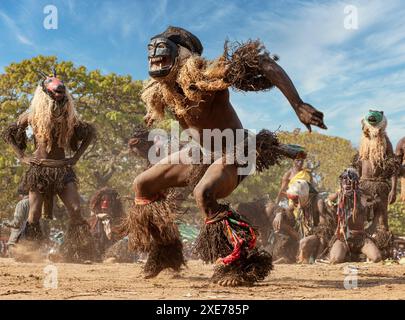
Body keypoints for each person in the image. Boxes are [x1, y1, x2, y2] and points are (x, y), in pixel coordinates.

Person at [120, 26, 326, 286]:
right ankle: (166, 250)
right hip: (200, 154)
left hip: (235, 152)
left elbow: (263, 63)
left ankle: (240, 261)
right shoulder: (164, 91)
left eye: (164, 51)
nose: (156, 58)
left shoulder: (209, 77)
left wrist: (298, 105)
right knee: (143, 184)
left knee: (203, 193)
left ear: (183, 55)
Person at [2, 68, 96, 262]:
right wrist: (22, 157)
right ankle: (29, 252)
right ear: (44, 91)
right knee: (34, 214)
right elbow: (9, 133)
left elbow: (89, 134)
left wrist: (76, 157)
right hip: (39, 170)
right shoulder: (33, 115)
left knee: (76, 210)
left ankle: (79, 252)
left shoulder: (70, 116)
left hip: (62, 170)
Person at [354, 110, 400, 258]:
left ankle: (383, 251)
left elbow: (393, 167)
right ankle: (356, 249)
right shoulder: (362, 143)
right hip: (363, 185)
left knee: (382, 220)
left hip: (380, 185)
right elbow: (357, 166)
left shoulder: (386, 143)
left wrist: (394, 189)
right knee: (359, 217)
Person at [329, 168, 382, 263]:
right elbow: (330, 200)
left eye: (350, 181)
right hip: (343, 238)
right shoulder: (339, 197)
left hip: (361, 238)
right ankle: (347, 255)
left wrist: (372, 227)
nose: (348, 183)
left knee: (377, 257)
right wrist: (339, 193)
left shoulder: (363, 197)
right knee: (335, 259)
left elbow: (376, 202)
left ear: (356, 183)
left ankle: (356, 256)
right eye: (345, 180)